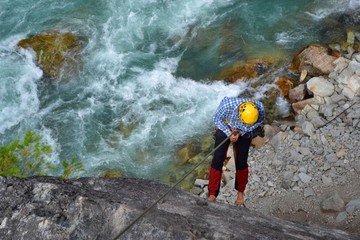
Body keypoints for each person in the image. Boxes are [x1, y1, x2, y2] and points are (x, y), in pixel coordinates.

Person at [207, 97, 265, 206]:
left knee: (241, 162)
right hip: (226, 126)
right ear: (239, 112)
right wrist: (228, 132)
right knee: (217, 159)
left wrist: (242, 131)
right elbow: (216, 119)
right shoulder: (226, 106)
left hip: (245, 129)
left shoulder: (259, 107)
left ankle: (240, 194)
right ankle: (212, 194)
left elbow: (259, 122)